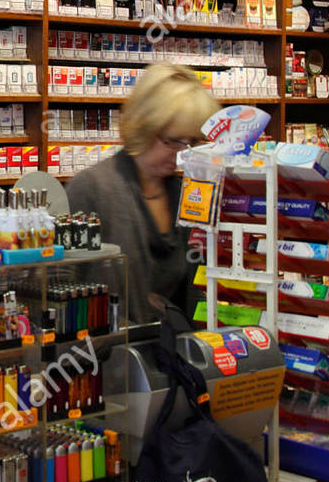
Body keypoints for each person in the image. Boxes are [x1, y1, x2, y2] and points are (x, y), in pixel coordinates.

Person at [65, 63, 219, 324]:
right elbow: (66, 296)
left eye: (192, 142)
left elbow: (196, 287)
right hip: (110, 357)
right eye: (172, 140)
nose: (184, 153)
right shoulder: (91, 190)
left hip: (174, 353)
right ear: (143, 126)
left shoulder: (187, 194)